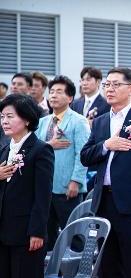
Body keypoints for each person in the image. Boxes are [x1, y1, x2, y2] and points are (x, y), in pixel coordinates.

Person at [80, 67, 131, 278]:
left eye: (116, 84)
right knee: (107, 265)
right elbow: (86, 156)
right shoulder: (102, 121)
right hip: (103, 201)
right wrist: (106, 145)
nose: (110, 89)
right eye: (107, 85)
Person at [0, 94, 55, 278]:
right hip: (4, 230)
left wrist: (37, 231)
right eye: (2, 116)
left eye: (10, 116)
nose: (4, 121)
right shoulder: (5, 149)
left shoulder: (40, 150)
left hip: (26, 233)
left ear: (27, 119)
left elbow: (43, 196)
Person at [35, 76, 90, 250]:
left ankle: (77, 274)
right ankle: (51, 273)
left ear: (70, 98)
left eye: (59, 92)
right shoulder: (42, 122)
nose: (53, 96)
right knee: (46, 233)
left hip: (68, 188)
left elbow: (83, 154)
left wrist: (76, 181)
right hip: (45, 187)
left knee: (74, 234)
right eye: (51, 92)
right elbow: (33, 150)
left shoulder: (78, 121)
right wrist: (48, 145)